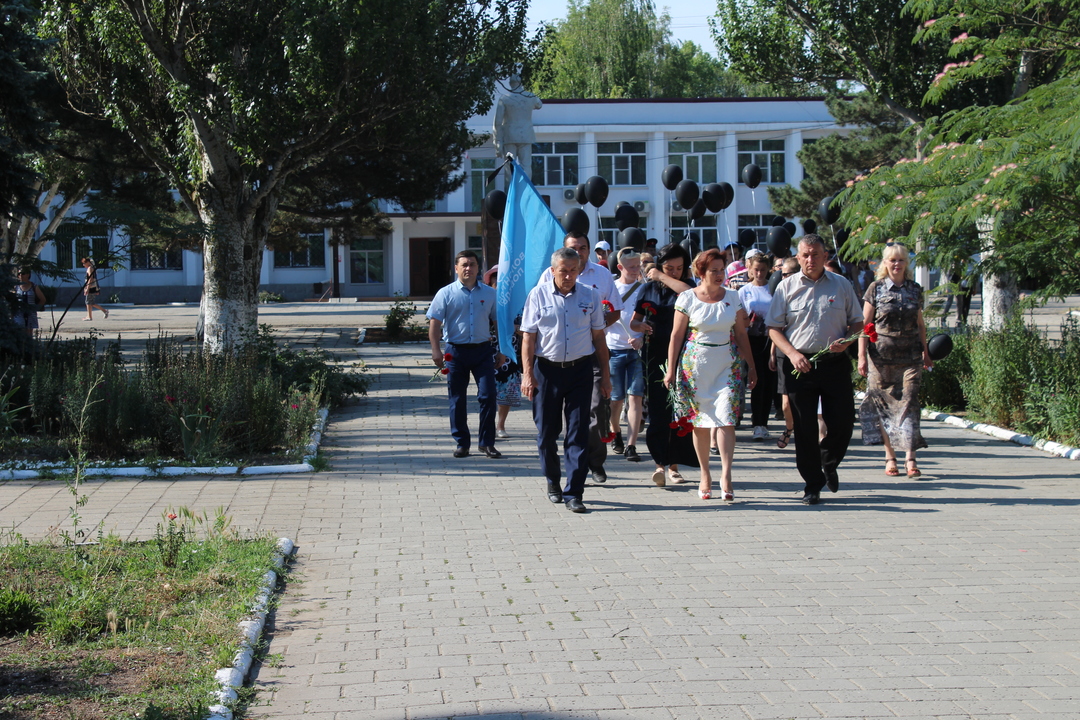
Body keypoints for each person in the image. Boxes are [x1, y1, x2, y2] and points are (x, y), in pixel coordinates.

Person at [766, 235, 863, 505]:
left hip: (834, 363)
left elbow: (858, 322)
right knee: (805, 428)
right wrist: (793, 354)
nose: (811, 260)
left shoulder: (841, 285)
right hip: (799, 365)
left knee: (843, 421)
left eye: (816, 254)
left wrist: (848, 340)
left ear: (825, 256)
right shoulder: (786, 287)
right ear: (798, 258)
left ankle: (829, 461)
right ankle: (812, 483)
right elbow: (773, 328)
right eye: (806, 255)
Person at [521, 247, 612, 514]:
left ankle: (574, 492)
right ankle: (553, 482)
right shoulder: (538, 295)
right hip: (546, 372)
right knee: (547, 432)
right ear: (553, 271)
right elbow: (528, 338)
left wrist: (605, 377)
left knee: (578, 432)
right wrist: (528, 374)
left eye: (574, 270)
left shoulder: (590, 296)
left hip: (580, 370)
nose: (569, 275)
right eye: (564, 271)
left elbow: (599, 338)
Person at [664, 248, 757, 502]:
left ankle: (726, 474)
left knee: (726, 418)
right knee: (701, 422)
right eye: (713, 270)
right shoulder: (687, 298)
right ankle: (705, 474)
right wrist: (671, 370)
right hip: (695, 368)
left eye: (722, 269)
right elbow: (676, 336)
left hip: (727, 365)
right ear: (701, 272)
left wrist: (752, 365)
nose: (719, 274)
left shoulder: (734, 297)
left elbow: (740, 334)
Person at [537, 233, 622, 483]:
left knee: (594, 409)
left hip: (591, 353)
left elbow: (615, 310)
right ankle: (560, 473)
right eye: (574, 248)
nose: (580, 252)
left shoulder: (602, 275)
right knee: (551, 425)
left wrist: (590, 327)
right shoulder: (548, 275)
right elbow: (536, 321)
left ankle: (593, 463)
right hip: (553, 360)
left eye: (583, 248)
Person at [858, 243, 933, 478]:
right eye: (892, 260)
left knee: (910, 403)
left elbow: (920, 324)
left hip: (910, 357)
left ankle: (911, 457)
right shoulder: (876, 289)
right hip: (881, 359)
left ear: (906, 263)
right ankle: (890, 457)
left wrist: (926, 352)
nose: (897, 264)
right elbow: (865, 325)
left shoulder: (914, 289)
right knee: (884, 409)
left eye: (900, 260)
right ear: (885, 263)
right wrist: (861, 355)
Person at [632, 243, 697, 487]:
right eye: (669, 267)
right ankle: (659, 463)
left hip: (685, 356)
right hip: (655, 355)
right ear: (661, 264)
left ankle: (675, 466)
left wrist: (660, 274)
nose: (674, 272)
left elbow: (688, 295)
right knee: (659, 410)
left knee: (680, 410)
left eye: (679, 268)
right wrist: (641, 326)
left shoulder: (689, 287)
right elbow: (634, 321)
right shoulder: (647, 289)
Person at [426, 250, 502, 459]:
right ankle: (462, 442)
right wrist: (435, 350)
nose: (469, 268)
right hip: (455, 352)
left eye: (473, 264)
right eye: (464, 265)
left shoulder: (489, 294)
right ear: (456, 268)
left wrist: (502, 351)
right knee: (457, 399)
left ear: (479, 268)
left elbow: (498, 324)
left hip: (482, 351)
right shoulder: (445, 293)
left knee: (488, 396)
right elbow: (434, 323)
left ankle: (487, 443)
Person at [606, 248, 647, 461]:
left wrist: (642, 337)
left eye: (638, 266)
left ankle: (632, 446)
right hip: (613, 349)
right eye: (631, 267)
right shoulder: (611, 288)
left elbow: (649, 318)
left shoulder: (644, 289)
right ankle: (616, 432)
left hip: (636, 352)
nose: (635, 270)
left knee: (636, 397)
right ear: (620, 267)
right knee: (616, 400)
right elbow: (602, 320)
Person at [738, 252, 776, 441]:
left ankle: (764, 422)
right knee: (755, 380)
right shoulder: (744, 291)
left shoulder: (773, 288)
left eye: (763, 270)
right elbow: (739, 316)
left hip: (770, 338)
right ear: (750, 270)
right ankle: (756, 422)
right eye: (756, 270)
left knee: (768, 381)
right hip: (751, 339)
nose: (759, 274)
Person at [484, 267, 521, 439]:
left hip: (509, 352)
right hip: (486, 350)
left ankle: (500, 424)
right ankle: (487, 423)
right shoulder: (485, 300)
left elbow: (528, 327)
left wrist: (516, 328)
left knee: (506, 390)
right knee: (488, 390)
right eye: (496, 281)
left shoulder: (518, 303)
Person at [769, 257, 799, 449]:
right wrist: (772, 352)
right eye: (783, 274)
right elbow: (774, 327)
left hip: (805, 351)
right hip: (783, 352)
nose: (785, 277)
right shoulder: (780, 294)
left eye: (788, 274)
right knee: (786, 403)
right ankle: (789, 428)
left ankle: (810, 432)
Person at [492, 73, 542, 179]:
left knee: (509, 165)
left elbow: (498, 122)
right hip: (526, 135)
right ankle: (526, 190)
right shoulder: (530, 96)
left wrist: (497, 141)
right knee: (526, 166)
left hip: (509, 136)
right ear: (521, 83)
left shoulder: (504, 99)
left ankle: (511, 190)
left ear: (510, 84)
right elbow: (539, 104)